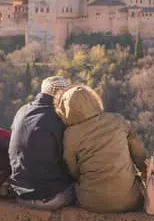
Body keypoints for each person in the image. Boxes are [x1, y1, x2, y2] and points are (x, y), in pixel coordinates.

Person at [55, 85, 148, 213]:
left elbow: (72, 169)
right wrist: (144, 173)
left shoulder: (70, 135)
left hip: (91, 202)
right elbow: (139, 154)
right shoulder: (117, 121)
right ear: (93, 101)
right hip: (129, 199)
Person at [8, 76, 74, 210]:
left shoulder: (22, 111)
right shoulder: (59, 118)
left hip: (20, 194)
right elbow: (68, 160)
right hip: (51, 198)